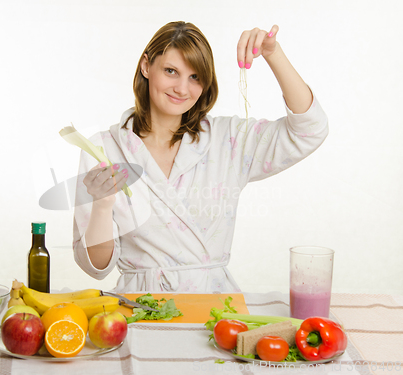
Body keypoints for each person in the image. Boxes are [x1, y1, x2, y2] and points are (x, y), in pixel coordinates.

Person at [72, 21, 328, 293]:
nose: (182, 89)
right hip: (140, 309)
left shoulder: (227, 140)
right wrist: (102, 205)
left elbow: (310, 130)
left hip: (214, 308)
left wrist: (272, 53)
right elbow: (95, 267)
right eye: (171, 71)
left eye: (195, 77)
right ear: (146, 66)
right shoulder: (104, 150)